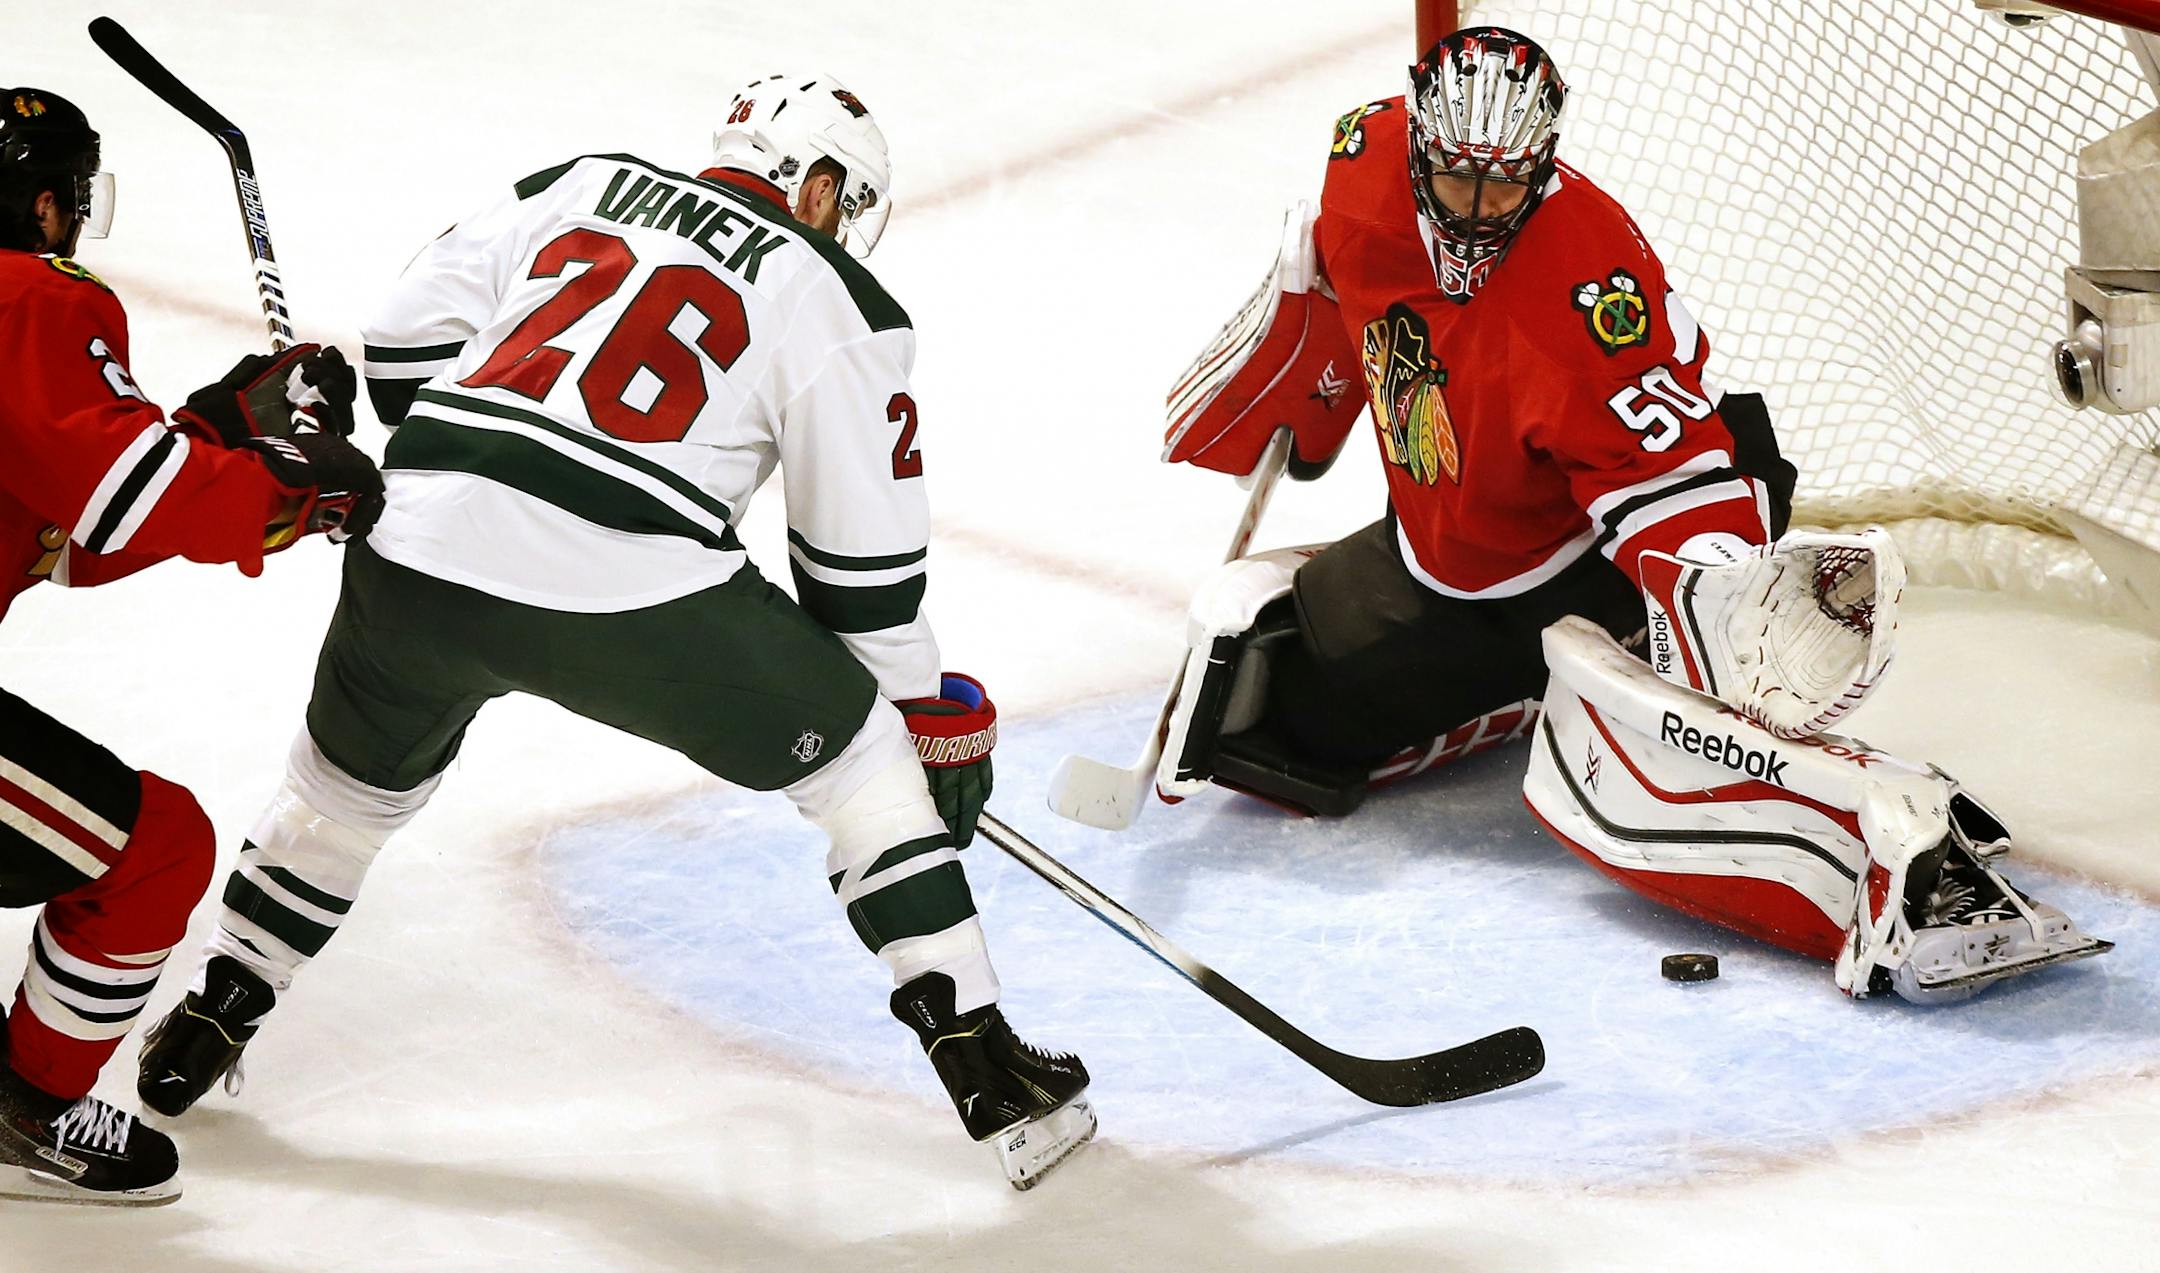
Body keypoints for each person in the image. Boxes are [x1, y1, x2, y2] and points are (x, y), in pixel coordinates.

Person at [137, 74, 1094, 1190]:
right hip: (628, 586)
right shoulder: (836, 295)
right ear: (817, 184)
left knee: (344, 795)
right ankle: (985, 1067)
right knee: (864, 770)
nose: (845, 224)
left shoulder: (577, 185)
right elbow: (858, 574)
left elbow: (398, 361)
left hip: (416, 548)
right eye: (848, 198)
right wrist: (917, 716)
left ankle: (210, 1017)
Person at [1139, 29, 2106, 1002]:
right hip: (1452, 554)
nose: (1479, 214)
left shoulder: (1589, 287)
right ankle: (1526, 690)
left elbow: (1672, 478)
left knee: (1632, 722)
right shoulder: (1364, 163)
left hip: (1586, 557)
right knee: (1281, 728)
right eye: (1459, 182)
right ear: (1420, 146)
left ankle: (1821, 816)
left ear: (1544, 164)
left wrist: (1716, 631)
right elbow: (1325, 259)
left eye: (1507, 187)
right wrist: (1300, 377)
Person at [0, 87, 382, 1205]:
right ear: (45, 204)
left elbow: (64, 527)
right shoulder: (26, 294)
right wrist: (293, 489)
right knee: (154, 849)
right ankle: (25, 1110)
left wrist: (223, 429)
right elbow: (124, 499)